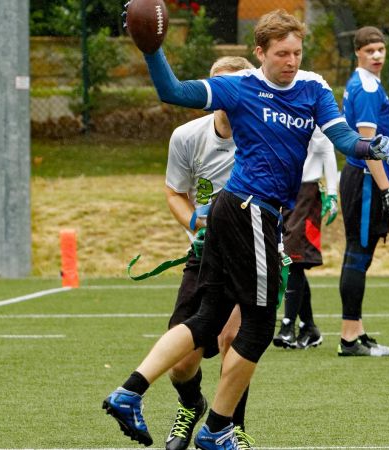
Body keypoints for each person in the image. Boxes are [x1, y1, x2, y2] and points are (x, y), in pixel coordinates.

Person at [103, 9, 389, 449]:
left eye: (297, 52)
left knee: (209, 317)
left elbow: (344, 139)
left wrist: (370, 146)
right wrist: (152, 49)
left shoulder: (313, 87)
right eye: (281, 54)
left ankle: (131, 390)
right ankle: (218, 428)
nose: (291, 61)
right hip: (249, 211)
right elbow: (170, 90)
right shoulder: (239, 87)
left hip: (241, 211)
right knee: (257, 326)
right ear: (259, 52)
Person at [163, 56, 255, 450]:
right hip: (204, 259)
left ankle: (232, 427)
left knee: (234, 339)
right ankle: (191, 404)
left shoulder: (263, 137)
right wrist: (195, 224)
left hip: (252, 255)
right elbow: (174, 192)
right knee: (181, 363)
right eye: (221, 86)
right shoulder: (187, 136)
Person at [337, 26, 389, 357]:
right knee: (357, 256)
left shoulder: (369, 84)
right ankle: (348, 339)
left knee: (362, 255)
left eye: (381, 50)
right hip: (365, 180)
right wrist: (386, 188)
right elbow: (369, 146)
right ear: (357, 52)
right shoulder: (366, 87)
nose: (377, 55)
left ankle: (356, 331)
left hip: (366, 181)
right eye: (370, 50)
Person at [273, 127, 338, 349]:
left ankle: (288, 325)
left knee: (292, 257)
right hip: (282, 190)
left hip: (305, 192)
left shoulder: (312, 96)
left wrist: (332, 192)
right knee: (290, 259)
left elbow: (327, 147)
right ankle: (309, 327)